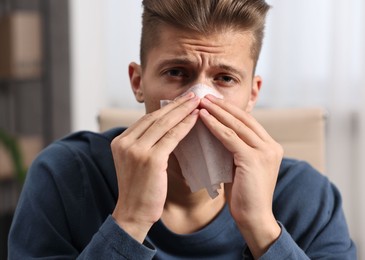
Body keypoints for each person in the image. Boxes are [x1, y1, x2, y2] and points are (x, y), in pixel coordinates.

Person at [8, 0, 356, 259]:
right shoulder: (64, 176)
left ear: (252, 93)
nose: (200, 99)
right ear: (138, 81)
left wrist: (262, 229)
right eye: (177, 72)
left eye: (224, 78)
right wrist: (129, 220)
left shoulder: (308, 197)